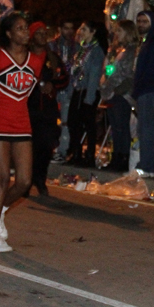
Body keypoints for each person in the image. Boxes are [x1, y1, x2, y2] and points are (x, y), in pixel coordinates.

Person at [0, 13, 45, 252]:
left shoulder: (35, 61)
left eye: (27, 28)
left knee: (24, 181)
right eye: (20, 28)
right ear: (8, 33)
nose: (26, 32)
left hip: (22, 125)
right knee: (3, 177)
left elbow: (27, 94)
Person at [27, 22, 66, 196]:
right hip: (28, 108)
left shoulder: (53, 58)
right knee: (28, 148)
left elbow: (64, 78)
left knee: (46, 145)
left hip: (48, 109)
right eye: (39, 33)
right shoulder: (23, 57)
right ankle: (26, 180)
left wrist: (52, 84)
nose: (43, 37)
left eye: (45, 33)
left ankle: (40, 178)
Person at [99, 20, 139, 172]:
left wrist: (116, 88)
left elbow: (127, 73)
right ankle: (116, 156)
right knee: (115, 126)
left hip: (121, 93)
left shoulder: (131, 51)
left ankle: (123, 158)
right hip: (110, 91)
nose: (117, 34)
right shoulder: (115, 50)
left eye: (120, 31)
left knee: (121, 126)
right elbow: (109, 69)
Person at [66, 21, 106, 166]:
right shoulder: (81, 50)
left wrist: (89, 98)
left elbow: (94, 75)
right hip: (79, 90)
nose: (81, 31)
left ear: (93, 31)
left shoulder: (96, 51)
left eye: (84, 29)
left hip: (88, 91)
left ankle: (89, 155)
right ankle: (76, 153)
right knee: (73, 123)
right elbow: (74, 72)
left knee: (88, 123)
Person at [133, 10, 154, 177]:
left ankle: (147, 166)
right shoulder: (147, 42)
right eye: (139, 21)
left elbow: (150, 70)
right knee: (144, 128)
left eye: (144, 21)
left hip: (149, 89)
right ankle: (146, 164)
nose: (141, 24)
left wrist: (140, 87)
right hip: (146, 89)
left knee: (146, 129)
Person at [49, 19, 77, 162]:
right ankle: (48, 148)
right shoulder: (52, 45)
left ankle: (62, 150)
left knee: (65, 121)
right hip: (53, 88)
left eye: (71, 28)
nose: (69, 31)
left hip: (69, 88)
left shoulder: (77, 46)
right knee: (50, 119)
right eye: (66, 28)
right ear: (60, 29)